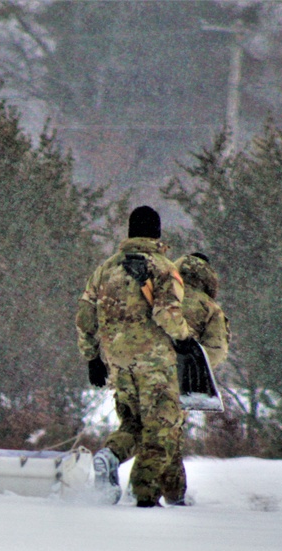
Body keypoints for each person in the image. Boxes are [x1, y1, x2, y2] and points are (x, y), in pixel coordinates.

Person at [75, 206, 195, 507]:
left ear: (129, 232)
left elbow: (85, 315)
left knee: (133, 425)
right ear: (157, 233)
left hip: (119, 364)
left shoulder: (105, 268)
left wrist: (92, 358)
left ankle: (110, 455)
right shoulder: (164, 268)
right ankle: (143, 499)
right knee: (161, 429)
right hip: (154, 364)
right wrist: (185, 340)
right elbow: (166, 313)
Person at [159, 251, 231, 502]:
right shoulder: (209, 307)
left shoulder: (164, 295)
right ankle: (173, 494)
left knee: (148, 430)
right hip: (179, 382)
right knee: (171, 436)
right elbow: (216, 350)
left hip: (148, 371)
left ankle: (139, 480)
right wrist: (191, 369)